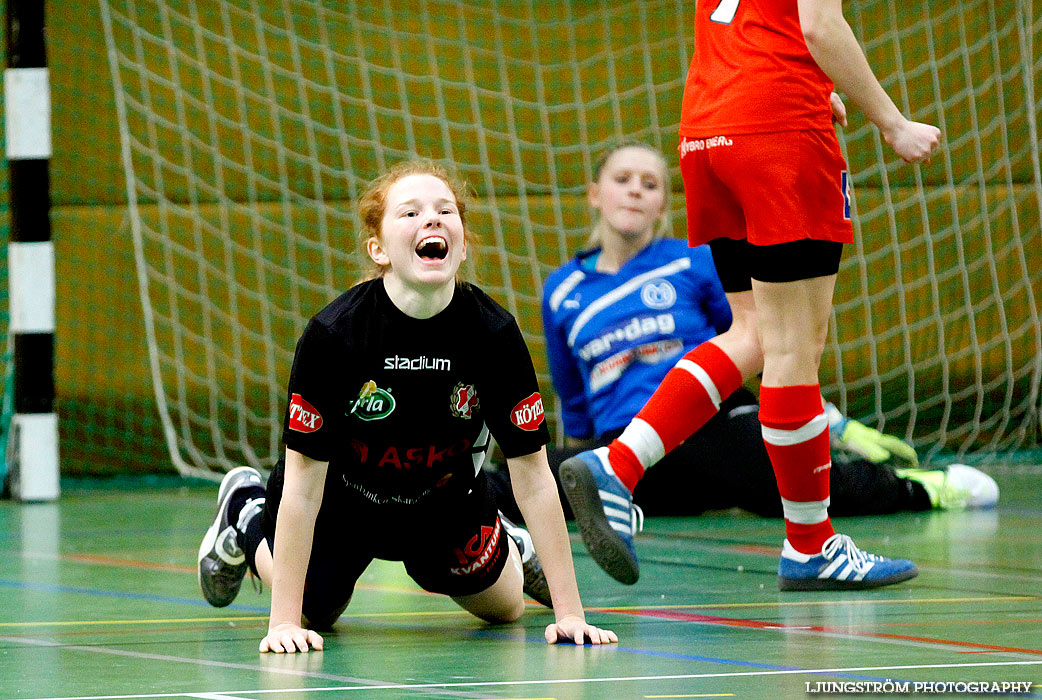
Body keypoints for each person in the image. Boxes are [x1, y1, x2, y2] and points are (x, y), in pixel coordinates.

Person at [557, 0, 944, 591]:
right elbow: (818, 24)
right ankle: (811, 546)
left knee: (753, 332)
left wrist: (812, 81)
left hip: (708, 130)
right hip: (778, 129)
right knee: (793, 349)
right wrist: (892, 122)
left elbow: (756, 29)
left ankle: (618, 462)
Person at [196, 160, 617, 652]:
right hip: (341, 506)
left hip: (444, 506)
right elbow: (305, 485)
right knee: (317, 614)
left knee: (509, 610)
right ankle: (245, 512)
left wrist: (570, 614)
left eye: (445, 211)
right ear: (379, 250)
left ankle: (507, 544)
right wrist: (284, 623)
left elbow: (533, 474)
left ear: (462, 245)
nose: (432, 220)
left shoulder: (493, 334)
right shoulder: (335, 336)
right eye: (410, 212)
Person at [488, 141, 997, 527]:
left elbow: (756, 341)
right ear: (596, 195)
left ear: (665, 203)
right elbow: (573, 398)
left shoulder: (693, 261)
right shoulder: (563, 290)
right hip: (624, 446)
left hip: (710, 429)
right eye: (623, 179)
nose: (636, 189)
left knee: (795, 486)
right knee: (518, 485)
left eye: (650, 182)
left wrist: (824, 418)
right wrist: (574, 460)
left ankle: (924, 489)